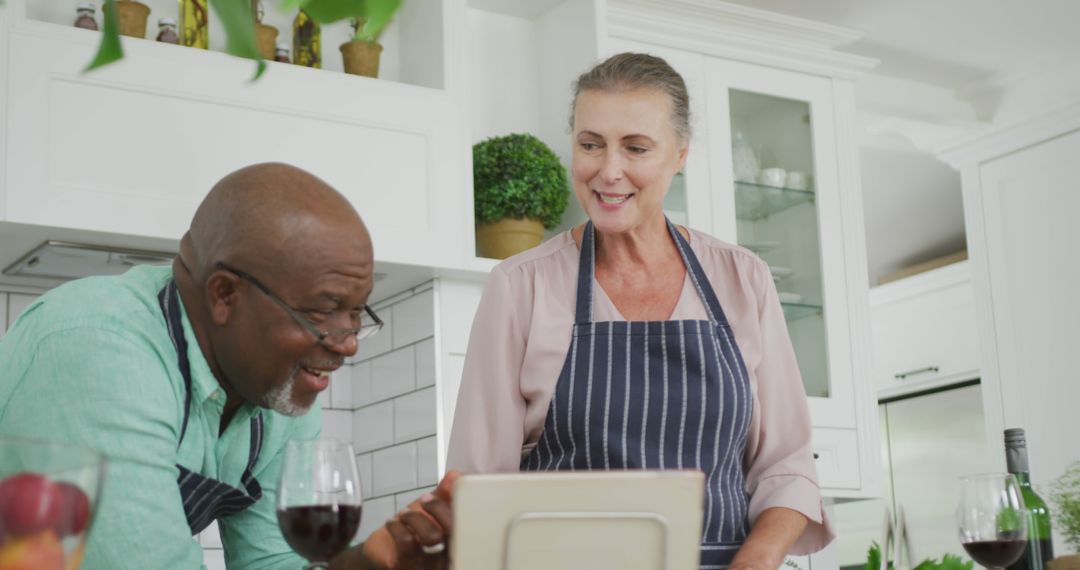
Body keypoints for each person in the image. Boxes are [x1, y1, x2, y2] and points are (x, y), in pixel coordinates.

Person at [375, 52, 836, 568]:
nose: (608, 171)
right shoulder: (522, 285)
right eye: (590, 145)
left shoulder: (741, 277)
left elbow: (786, 468)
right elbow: (477, 490)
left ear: (680, 154)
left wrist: (755, 561)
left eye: (636, 148)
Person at [0, 162, 435, 569]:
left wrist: (379, 560)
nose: (349, 344)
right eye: (323, 312)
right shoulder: (98, 347)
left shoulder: (275, 386)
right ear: (225, 295)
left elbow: (271, 565)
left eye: (357, 314)